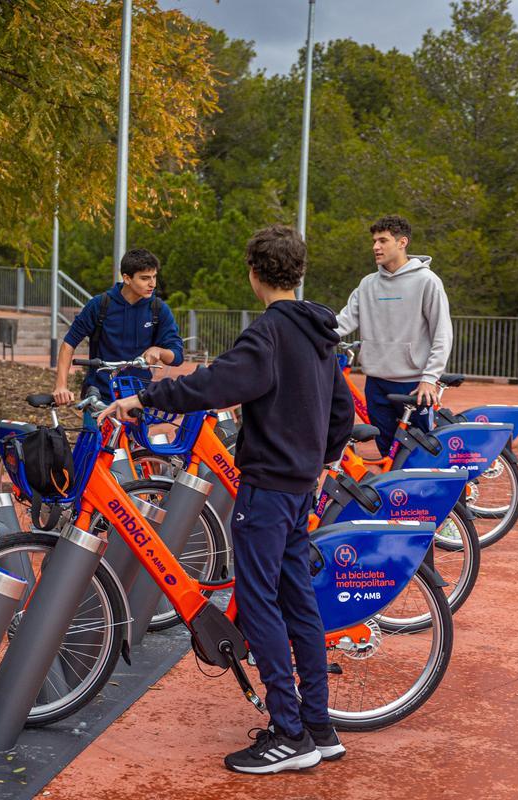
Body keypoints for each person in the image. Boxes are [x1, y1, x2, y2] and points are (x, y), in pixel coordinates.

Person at [100, 225, 353, 774]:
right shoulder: (321, 334)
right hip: (299, 485)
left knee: (259, 603)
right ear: (298, 272)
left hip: (266, 486)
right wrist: (319, 459)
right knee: (298, 604)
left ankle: (289, 733)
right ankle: (318, 724)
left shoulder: (268, 333)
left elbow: (215, 384)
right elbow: (341, 414)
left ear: (253, 273)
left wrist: (145, 397)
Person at [335, 215, 453, 456]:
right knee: (388, 452)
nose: (375, 247)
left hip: (413, 384)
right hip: (376, 383)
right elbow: (343, 322)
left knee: (421, 452)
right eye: (374, 241)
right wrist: (305, 329)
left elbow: (442, 332)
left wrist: (429, 378)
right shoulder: (367, 284)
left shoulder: (426, 281)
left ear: (402, 242)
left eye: (383, 241)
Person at [52, 248, 183, 404]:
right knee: (94, 430)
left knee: (137, 429)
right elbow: (69, 344)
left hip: (138, 398)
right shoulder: (100, 305)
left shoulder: (158, 309)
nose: (152, 284)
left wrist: (160, 351)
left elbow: (177, 356)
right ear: (127, 278)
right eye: (145, 278)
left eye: (154, 277)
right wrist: (61, 386)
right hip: (99, 396)